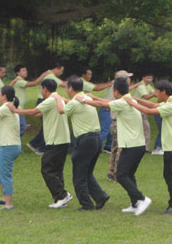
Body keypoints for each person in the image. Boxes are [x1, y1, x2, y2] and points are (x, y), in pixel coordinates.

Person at [82, 78, 152, 215]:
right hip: (136, 145)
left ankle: (142, 199)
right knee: (129, 175)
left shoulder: (123, 102)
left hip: (132, 145)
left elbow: (103, 104)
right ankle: (135, 203)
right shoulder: (128, 100)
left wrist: (85, 100)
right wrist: (93, 97)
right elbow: (107, 102)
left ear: (115, 91)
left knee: (121, 175)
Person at [124, 80, 172, 214]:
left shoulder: (171, 105)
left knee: (169, 176)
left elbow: (149, 111)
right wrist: (135, 99)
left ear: (163, 92)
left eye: (157, 91)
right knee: (169, 174)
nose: (155, 94)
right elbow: (152, 104)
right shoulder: (170, 101)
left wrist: (131, 103)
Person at [7, 78, 72, 208]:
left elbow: (33, 112)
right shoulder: (57, 98)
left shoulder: (50, 100)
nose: (41, 91)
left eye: (41, 88)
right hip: (63, 139)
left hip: (55, 140)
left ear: (45, 88)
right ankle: (60, 199)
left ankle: (62, 195)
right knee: (56, 170)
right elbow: (37, 114)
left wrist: (15, 110)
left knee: (46, 169)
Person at [63, 76, 110, 211]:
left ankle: (86, 204)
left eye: (66, 87)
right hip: (96, 139)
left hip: (85, 140)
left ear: (70, 88)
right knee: (87, 172)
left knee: (79, 175)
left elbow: (62, 111)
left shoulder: (74, 103)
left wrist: (57, 99)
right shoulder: (87, 98)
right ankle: (100, 196)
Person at [81, 67, 115, 151]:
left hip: (87, 106)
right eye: (89, 74)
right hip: (84, 106)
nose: (90, 76)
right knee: (104, 130)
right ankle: (96, 148)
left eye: (91, 74)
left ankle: (107, 147)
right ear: (83, 75)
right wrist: (110, 83)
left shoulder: (84, 82)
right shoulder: (82, 82)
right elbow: (97, 88)